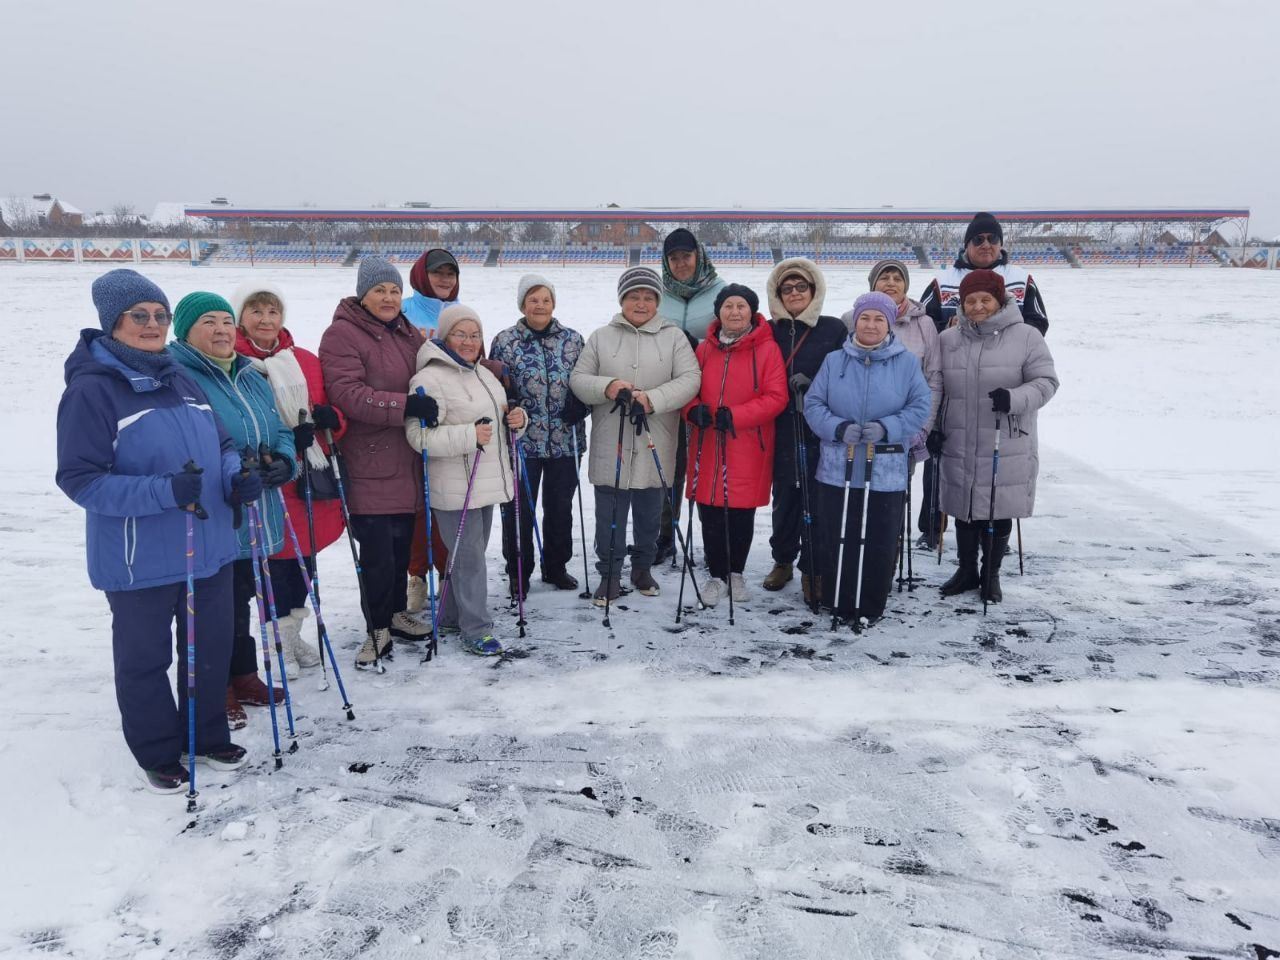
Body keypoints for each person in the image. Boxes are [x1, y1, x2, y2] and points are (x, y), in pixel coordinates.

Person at [57, 269, 252, 792]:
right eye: (138, 316)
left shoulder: (181, 378)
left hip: (207, 548)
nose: (152, 325)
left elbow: (224, 447)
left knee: (208, 649)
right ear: (112, 322)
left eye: (160, 315)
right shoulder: (92, 391)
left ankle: (205, 734)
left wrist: (238, 479)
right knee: (145, 661)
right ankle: (157, 750)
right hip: (137, 557)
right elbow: (80, 480)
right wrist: (163, 492)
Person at [169, 292, 298, 726]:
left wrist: (284, 460)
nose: (222, 329)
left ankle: (242, 673)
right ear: (185, 331)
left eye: (226, 320)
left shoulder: (249, 374)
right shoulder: (180, 376)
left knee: (243, 593)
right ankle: (213, 685)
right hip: (213, 511)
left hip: (255, 504)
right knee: (211, 604)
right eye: (208, 321)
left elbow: (278, 425)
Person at [319, 257, 434, 667]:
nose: (388, 298)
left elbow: (440, 366)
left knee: (401, 547)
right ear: (362, 295)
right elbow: (347, 393)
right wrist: (407, 406)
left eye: (394, 291)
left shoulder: (406, 334)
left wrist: (487, 370)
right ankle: (377, 627)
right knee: (378, 555)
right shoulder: (342, 335)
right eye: (380, 291)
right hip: (369, 463)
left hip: (407, 460)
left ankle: (397, 614)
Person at [232, 281, 347, 678]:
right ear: (241, 317)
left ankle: (292, 632)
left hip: (308, 476)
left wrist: (333, 420)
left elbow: (325, 410)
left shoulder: (304, 359)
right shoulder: (236, 362)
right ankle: (275, 639)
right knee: (272, 561)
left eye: (273, 311)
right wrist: (281, 442)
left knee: (304, 559)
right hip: (270, 475)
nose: (266, 319)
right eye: (256, 311)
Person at [570, 267, 700, 604]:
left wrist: (651, 398)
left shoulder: (674, 337)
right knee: (608, 515)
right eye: (633, 296)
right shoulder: (601, 336)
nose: (640, 303)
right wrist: (609, 387)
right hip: (611, 440)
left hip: (654, 438)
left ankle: (642, 567)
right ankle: (610, 574)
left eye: (648, 297)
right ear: (622, 300)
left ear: (657, 301)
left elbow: (690, 380)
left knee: (649, 514)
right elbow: (579, 379)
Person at [406, 305, 528, 655]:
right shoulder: (428, 379)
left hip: (486, 482)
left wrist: (519, 420)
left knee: (465, 556)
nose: (469, 341)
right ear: (445, 336)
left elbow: (499, 420)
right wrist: (468, 436)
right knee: (470, 560)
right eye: (461, 334)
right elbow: (419, 438)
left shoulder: (483, 374)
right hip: (455, 486)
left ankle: (450, 613)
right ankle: (476, 628)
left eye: (475, 335)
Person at [804, 293, 931, 625]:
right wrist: (838, 427)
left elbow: (920, 407)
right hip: (838, 467)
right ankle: (837, 598)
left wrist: (888, 428)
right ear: (855, 321)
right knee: (837, 534)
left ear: (889, 323)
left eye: (878, 319)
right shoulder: (834, 361)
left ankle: (870, 602)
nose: (871, 325)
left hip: (884, 468)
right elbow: (814, 404)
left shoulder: (905, 362)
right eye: (865, 318)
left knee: (878, 537)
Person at [934, 270, 1058, 603]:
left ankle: (991, 574)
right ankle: (966, 570)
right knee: (964, 505)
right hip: (958, 435)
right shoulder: (947, 340)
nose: (977, 307)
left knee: (997, 505)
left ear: (1000, 299)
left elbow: (1046, 382)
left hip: (1005, 435)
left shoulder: (1027, 336)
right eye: (970, 301)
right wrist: (932, 427)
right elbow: (936, 388)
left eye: (985, 300)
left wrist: (1015, 398)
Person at [683, 284, 787, 606]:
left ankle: (736, 573)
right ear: (719, 312)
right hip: (708, 442)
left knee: (740, 512)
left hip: (746, 443)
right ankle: (716, 575)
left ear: (752, 312)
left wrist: (738, 416)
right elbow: (688, 387)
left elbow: (776, 396)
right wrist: (693, 409)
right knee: (710, 511)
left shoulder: (767, 349)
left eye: (741, 306)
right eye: (728, 306)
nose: (735, 313)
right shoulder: (704, 349)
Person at [489, 274, 588, 596]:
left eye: (545, 299)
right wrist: (512, 405)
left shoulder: (573, 340)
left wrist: (581, 403)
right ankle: (519, 570)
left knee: (560, 508)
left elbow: (587, 379)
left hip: (565, 439)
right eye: (533, 299)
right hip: (523, 442)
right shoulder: (506, 341)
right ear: (522, 304)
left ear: (554, 303)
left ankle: (556, 566)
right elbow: (496, 387)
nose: (540, 305)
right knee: (518, 511)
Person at [762, 258, 846, 602]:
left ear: (814, 290)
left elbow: (844, 373)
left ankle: (814, 567)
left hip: (819, 429)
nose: (794, 293)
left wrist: (816, 387)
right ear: (777, 293)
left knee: (818, 501)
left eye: (801, 287)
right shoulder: (768, 329)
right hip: (780, 426)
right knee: (785, 499)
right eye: (787, 288)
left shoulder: (832, 329)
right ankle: (783, 559)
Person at [847, 260, 943, 549]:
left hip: (903, 431)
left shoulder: (923, 324)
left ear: (906, 285)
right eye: (883, 278)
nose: (891, 283)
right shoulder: (851, 318)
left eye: (897, 278)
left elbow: (934, 378)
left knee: (890, 500)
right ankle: (855, 554)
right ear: (872, 284)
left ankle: (886, 558)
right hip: (860, 430)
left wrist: (922, 427)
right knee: (856, 496)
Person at [653, 228, 726, 564]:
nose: (681, 263)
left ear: (698, 256)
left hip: (708, 394)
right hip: (665, 392)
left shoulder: (720, 291)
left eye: (686, 256)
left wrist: (694, 345)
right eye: (674, 258)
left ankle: (714, 537)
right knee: (668, 465)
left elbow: (731, 336)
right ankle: (663, 533)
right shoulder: (656, 293)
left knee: (707, 465)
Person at [401, 248, 461, 611]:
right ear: (423, 274)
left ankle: (447, 571)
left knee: (445, 501)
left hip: (450, 418)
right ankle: (416, 576)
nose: (444, 280)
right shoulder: (404, 310)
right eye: (437, 273)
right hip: (411, 416)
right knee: (415, 506)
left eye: (450, 274)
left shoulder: (458, 313)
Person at [920, 211, 1050, 335]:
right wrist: (948, 326)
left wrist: (1011, 339)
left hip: (1008, 357)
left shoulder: (1021, 279)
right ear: (967, 245)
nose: (986, 245)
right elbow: (921, 323)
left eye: (992, 239)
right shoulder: (943, 281)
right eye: (978, 239)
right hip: (958, 356)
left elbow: (1039, 321)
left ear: (1000, 244)